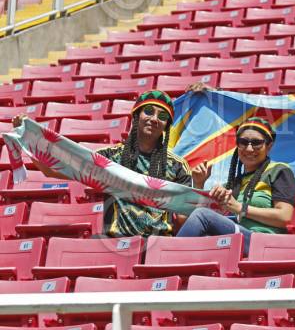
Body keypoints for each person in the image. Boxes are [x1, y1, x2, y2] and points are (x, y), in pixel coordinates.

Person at [12, 91, 206, 237]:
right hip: (115, 241)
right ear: (136, 116)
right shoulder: (109, 158)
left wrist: (198, 185)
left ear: (166, 126)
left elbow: (183, 221)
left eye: (162, 116)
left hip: (159, 243)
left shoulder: (177, 166)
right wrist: (27, 136)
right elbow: (50, 170)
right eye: (148, 111)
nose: (154, 119)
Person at [177, 117, 295, 256]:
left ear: (269, 146)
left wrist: (240, 208)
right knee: (202, 234)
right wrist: (199, 183)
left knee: (202, 215)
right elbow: (186, 219)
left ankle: (167, 259)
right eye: (243, 142)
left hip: (264, 243)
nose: (249, 148)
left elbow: (285, 217)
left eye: (256, 143)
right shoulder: (233, 184)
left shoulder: (279, 170)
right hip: (235, 240)